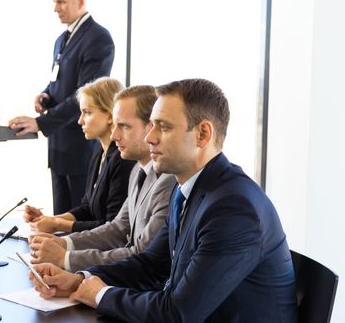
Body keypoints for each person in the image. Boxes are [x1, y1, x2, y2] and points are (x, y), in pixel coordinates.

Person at [29, 79, 298, 322]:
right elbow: (151, 264)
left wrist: (100, 295)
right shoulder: (188, 190)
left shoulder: (235, 208)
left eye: (163, 127)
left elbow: (179, 313)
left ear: (203, 134)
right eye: (151, 125)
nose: (150, 137)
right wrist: (78, 280)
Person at [28, 85, 176, 272]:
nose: (115, 135)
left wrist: (66, 258)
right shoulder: (138, 171)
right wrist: (64, 242)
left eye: (124, 126)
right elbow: (118, 228)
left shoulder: (167, 181)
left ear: (151, 127)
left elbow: (141, 254)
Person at [8, 0, 115, 215]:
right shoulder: (62, 39)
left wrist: (40, 122)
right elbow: (59, 81)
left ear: (80, 2)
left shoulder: (98, 38)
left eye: (61, 2)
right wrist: (46, 95)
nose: (55, 8)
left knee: (77, 222)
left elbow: (85, 95)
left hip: (79, 146)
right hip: (58, 146)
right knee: (59, 220)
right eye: (55, 3)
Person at [24, 78, 135, 234]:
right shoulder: (99, 153)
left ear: (110, 115)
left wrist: (57, 225)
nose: (80, 121)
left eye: (87, 113)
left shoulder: (122, 159)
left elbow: (112, 227)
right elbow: (87, 208)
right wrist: (48, 220)